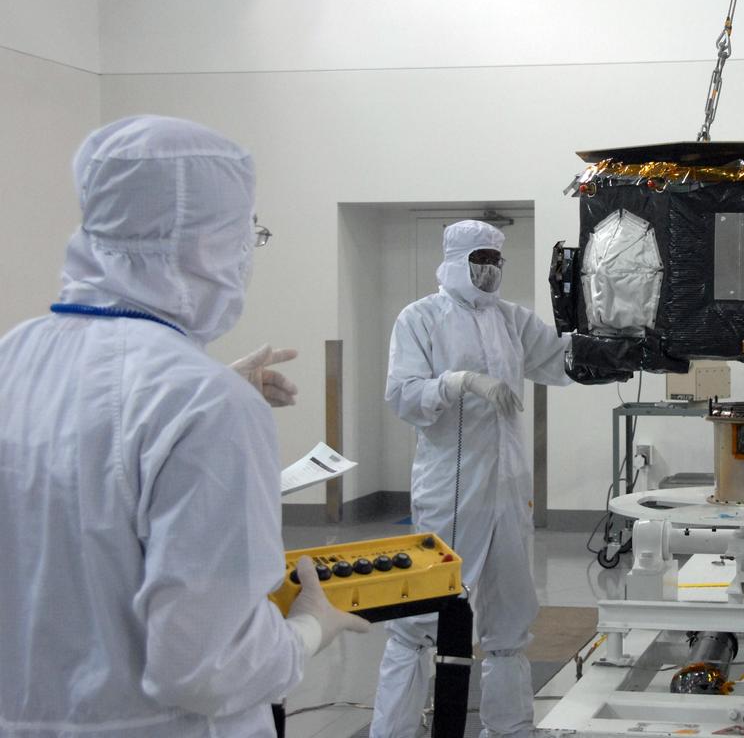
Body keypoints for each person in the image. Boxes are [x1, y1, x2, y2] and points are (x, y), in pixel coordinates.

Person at [0, 116, 368, 737]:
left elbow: (82, 485)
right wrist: (309, 628)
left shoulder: (16, 357)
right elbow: (207, 666)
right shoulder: (207, 405)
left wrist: (203, 391)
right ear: (204, 243)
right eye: (247, 232)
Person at [372, 220, 572, 738]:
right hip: (451, 489)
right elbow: (403, 395)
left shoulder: (510, 319)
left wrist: (621, 347)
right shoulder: (420, 318)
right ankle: (393, 730)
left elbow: (561, 358)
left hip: (508, 489)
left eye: (497, 260)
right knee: (420, 617)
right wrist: (461, 383)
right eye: (480, 259)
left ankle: (509, 726)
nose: (490, 270)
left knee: (509, 616)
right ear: (457, 259)